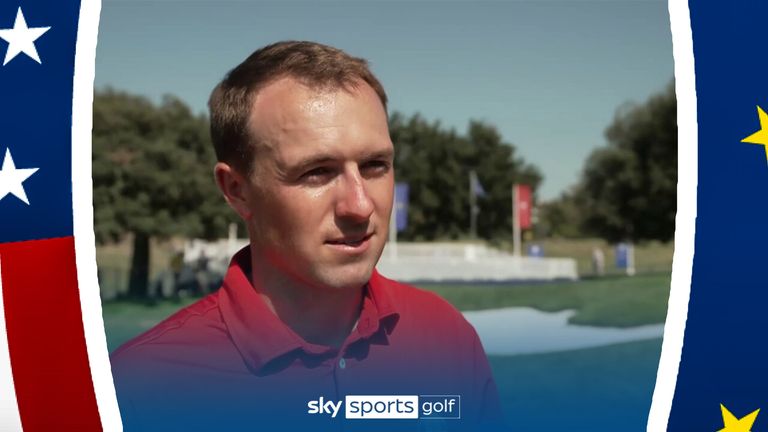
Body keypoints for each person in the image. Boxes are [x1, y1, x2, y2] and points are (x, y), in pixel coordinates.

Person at [110, 41, 502, 431]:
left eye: (375, 165)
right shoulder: (139, 390)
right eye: (316, 171)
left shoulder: (446, 338)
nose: (360, 205)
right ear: (236, 190)